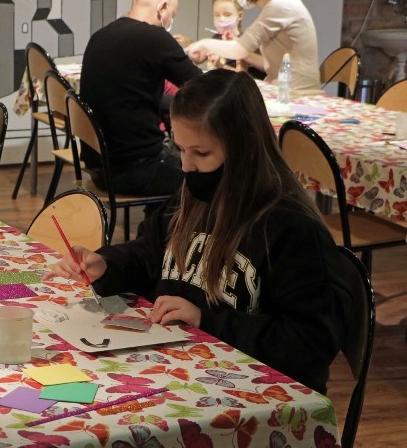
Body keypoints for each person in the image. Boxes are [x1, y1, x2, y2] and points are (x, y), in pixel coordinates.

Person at [44, 69, 351, 395]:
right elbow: (151, 254)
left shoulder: (292, 230)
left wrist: (207, 321)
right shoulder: (194, 197)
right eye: (180, 149)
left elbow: (309, 344)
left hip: (256, 397)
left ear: (244, 148)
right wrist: (106, 264)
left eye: (201, 153)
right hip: (180, 375)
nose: (186, 166)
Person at [78, 0, 202, 197]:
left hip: (100, 167)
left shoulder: (101, 36)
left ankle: (156, 224)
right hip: (136, 169)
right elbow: (202, 86)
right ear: (163, 8)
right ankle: (178, 230)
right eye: (172, 15)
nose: (170, 21)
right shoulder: (154, 37)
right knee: (214, 180)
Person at [187, 0, 320, 90]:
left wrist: (203, 44)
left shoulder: (280, 6)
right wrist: (239, 48)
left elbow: (239, 49)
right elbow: (268, 64)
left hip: (296, 90)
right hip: (283, 86)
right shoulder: (281, 3)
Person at [207, 0, 266, 80]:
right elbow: (200, 58)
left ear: (240, 16)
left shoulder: (246, 41)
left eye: (227, 14)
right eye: (217, 15)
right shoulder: (215, 39)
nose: (221, 19)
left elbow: (241, 75)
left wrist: (220, 66)